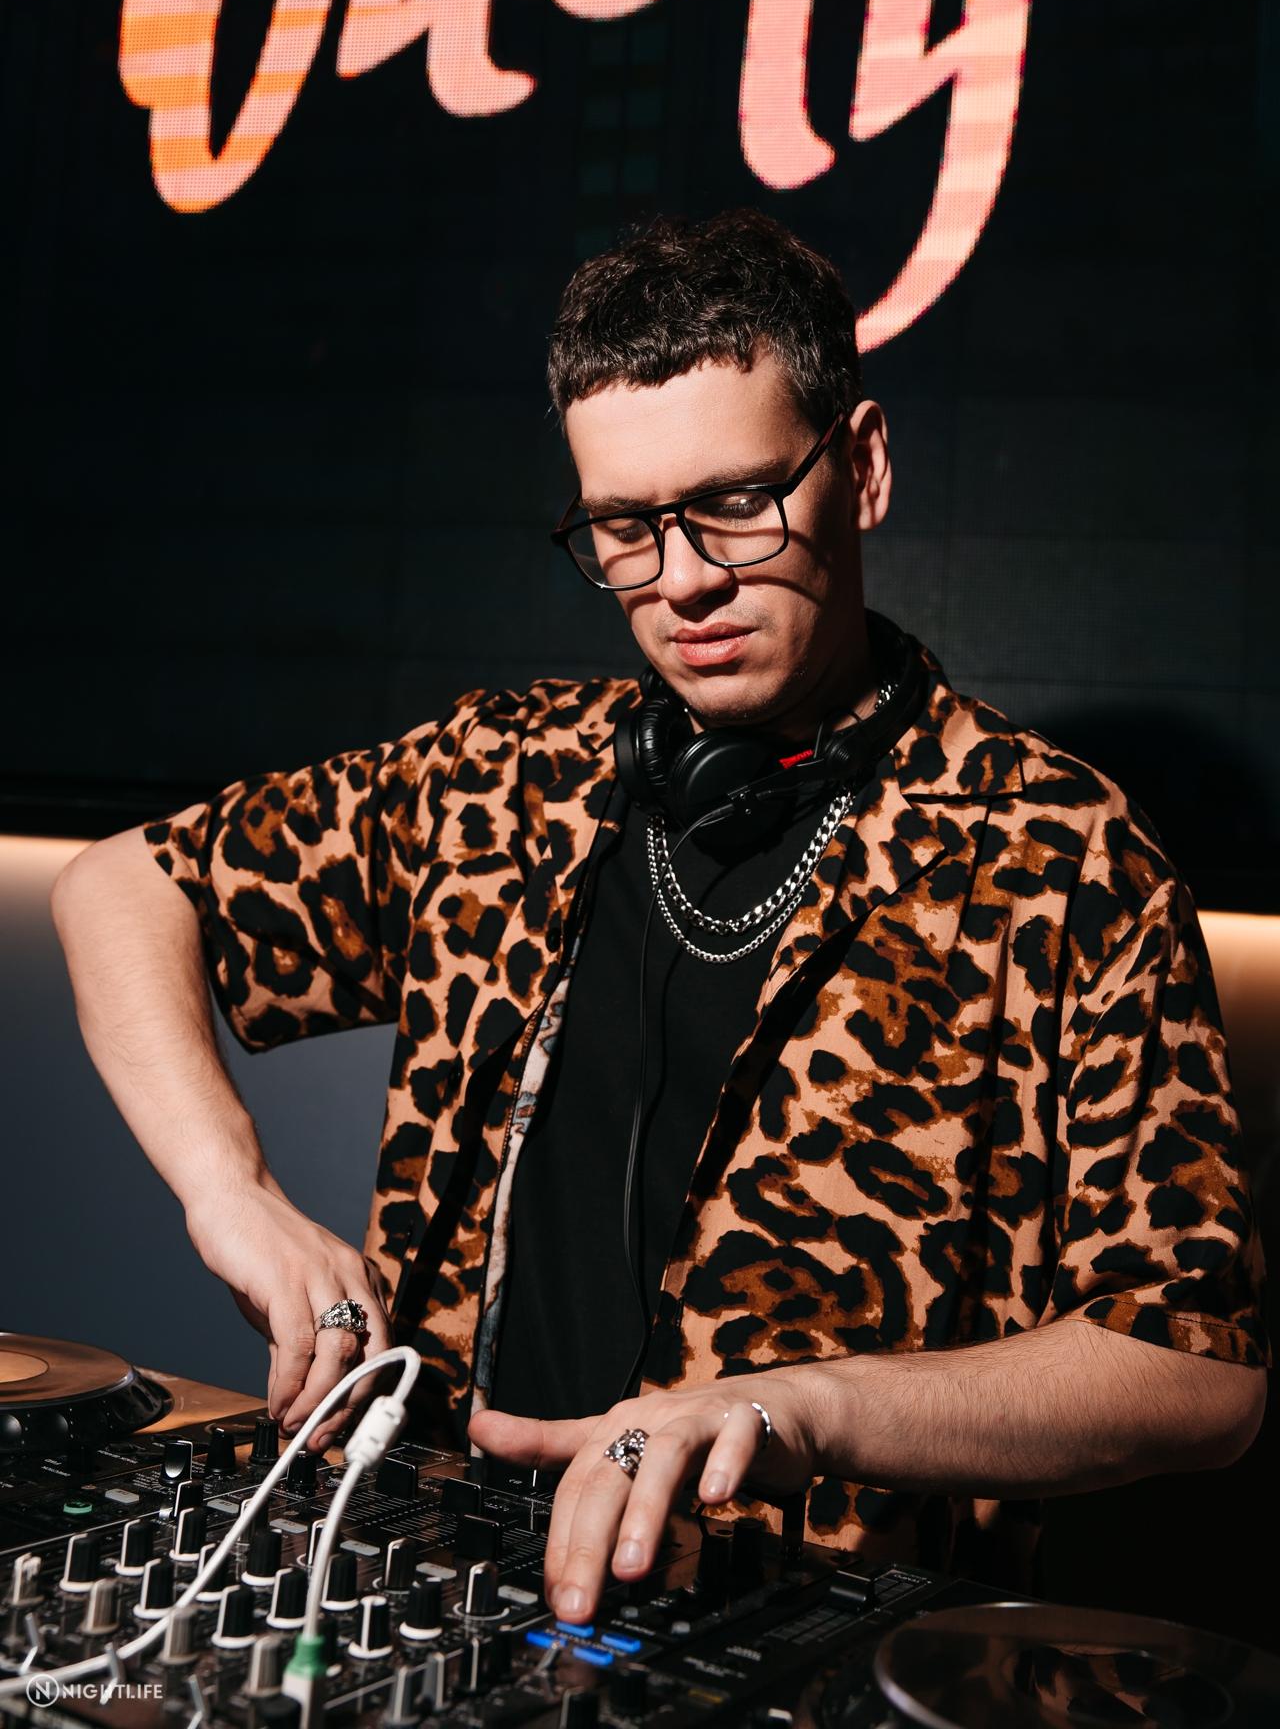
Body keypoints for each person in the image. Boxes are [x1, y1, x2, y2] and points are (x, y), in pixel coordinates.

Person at [53, 209, 1268, 1627]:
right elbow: (122, 886)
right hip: (430, 1582)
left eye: (736, 504)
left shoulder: (1058, 852)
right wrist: (236, 1197)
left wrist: (793, 1410)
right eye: (626, 530)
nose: (683, 578)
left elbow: (1196, 1372)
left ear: (864, 466)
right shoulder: (500, 775)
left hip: (817, 1629)